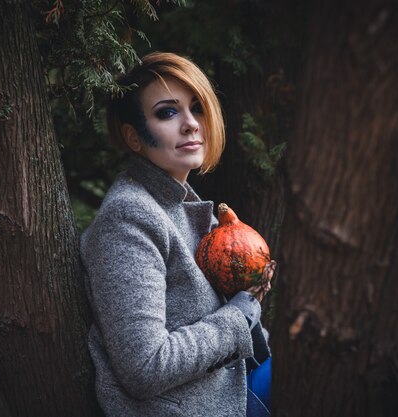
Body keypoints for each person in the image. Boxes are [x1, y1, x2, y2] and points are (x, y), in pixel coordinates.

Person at [80, 51, 275, 417]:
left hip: (237, 390)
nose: (191, 124)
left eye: (197, 107)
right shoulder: (129, 217)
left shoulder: (178, 203)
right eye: (167, 112)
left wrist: (247, 299)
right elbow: (145, 366)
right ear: (134, 137)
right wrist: (241, 315)